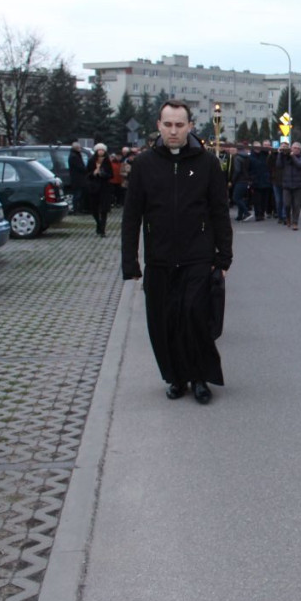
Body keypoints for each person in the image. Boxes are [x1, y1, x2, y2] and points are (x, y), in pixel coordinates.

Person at [121, 100, 233, 405]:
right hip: (159, 258)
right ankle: (176, 377)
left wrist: (224, 257)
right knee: (165, 321)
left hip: (198, 255)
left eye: (179, 125)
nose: (174, 131)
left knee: (194, 316)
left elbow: (219, 211)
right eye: (168, 124)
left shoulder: (207, 163)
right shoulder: (144, 165)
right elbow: (132, 216)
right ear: (158, 125)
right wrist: (130, 261)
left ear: (190, 127)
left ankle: (199, 378)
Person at [86, 143, 114, 237]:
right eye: (99, 150)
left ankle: (102, 230)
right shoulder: (91, 161)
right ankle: (98, 224)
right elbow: (87, 174)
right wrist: (94, 173)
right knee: (94, 209)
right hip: (94, 188)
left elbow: (111, 175)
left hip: (104, 187)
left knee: (104, 209)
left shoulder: (107, 161)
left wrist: (102, 174)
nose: (101, 152)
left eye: (102, 150)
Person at [278, 141, 301, 229]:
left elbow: (299, 164)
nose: (296, 150)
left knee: (296, 205)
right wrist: (280, 154)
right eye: (294, 148)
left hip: (298, 185)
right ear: (291, 148)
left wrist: (292, 156)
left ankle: (295, 222)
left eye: (298, 148)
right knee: (286, 204)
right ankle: (288, 218)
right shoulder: (285, 157)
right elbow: (278, 165)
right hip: (286, 184)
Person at [249, 141, 272, 220]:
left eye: (259, 147)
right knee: (257, 200)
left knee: (264, 199)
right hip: (256, 181)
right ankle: (258, 214)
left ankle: (262, 213)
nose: (257, 149)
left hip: (265, 180)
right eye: (256, 147)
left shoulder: (265, 155)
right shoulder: (251, 157)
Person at [230, 142, 252, 222]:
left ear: (237, 149)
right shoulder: (247, 157)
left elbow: (237, 170)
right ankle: (240, 215)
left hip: (240, 180)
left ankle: (246, 213)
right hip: (246, 180)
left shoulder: (237, 158)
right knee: (240, 197)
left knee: (236, 198)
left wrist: (233, 179)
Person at [68, 141, 87, 214]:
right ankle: (76, 210)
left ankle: (78, 209)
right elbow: (80, 167)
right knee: (77, 195)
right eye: (79, 148)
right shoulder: (74, 156)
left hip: (78, 178)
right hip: (77, 179)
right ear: (76, 148)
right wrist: (86, 169)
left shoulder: (75, 155)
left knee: (78, 194)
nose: (80, 149)